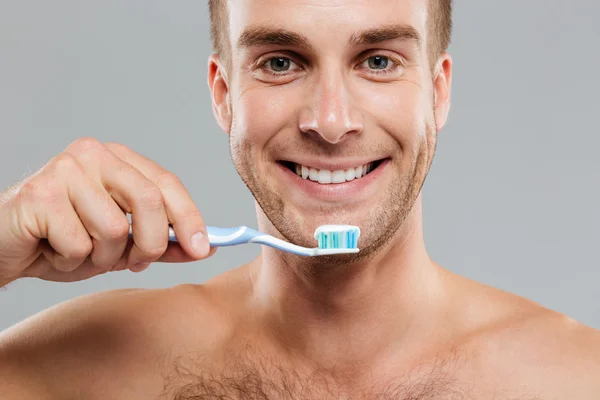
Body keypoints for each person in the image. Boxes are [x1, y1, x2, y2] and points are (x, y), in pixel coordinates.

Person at [1, 0, 599, 398]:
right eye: (281, 62)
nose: (331, 123)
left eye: (380, 61)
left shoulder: (575, 379)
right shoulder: (84, 372)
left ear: (437, 93)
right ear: (224, 93)